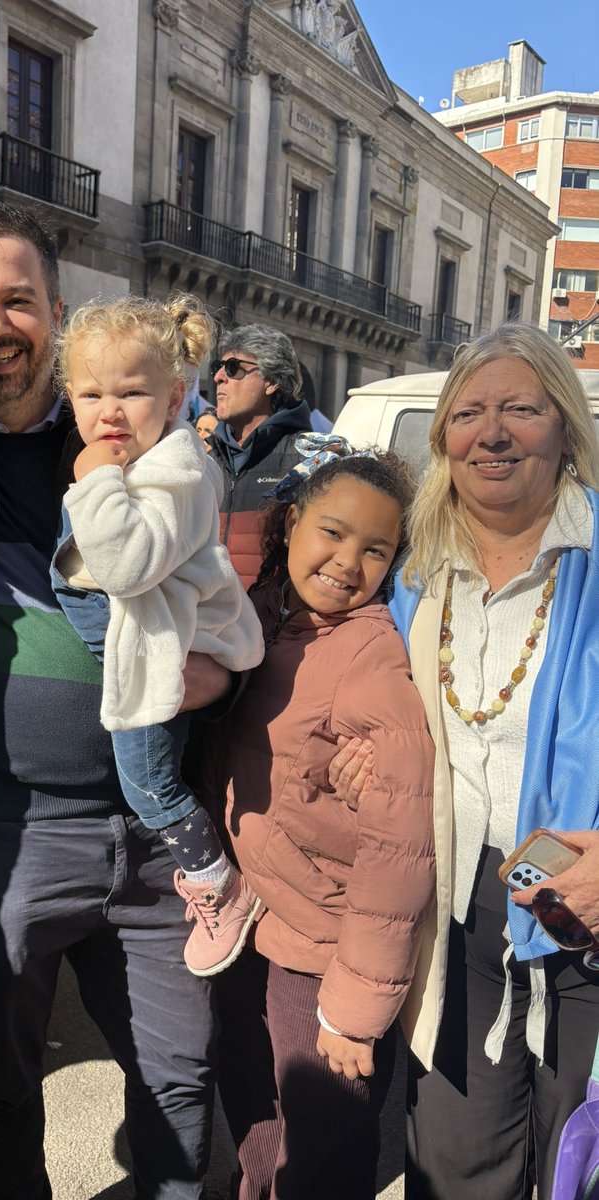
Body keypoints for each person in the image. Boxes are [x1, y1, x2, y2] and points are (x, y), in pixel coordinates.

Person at [0, 200, 228, 1199]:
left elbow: (225, 575)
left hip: (157, 835)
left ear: (58, 310)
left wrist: (225, 664)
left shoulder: (132, 425)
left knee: (181, 1076)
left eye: (17, 299)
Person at [380, 324, 599, 1198]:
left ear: (565, 427)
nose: (493, 432)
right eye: (468, 413)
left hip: (589, 920)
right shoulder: (412, 575)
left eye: (520, 408)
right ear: (442, 441)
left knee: (578, 1163)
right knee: (454, 1164)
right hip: (464, 916)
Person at [206, 435, 435, 1199]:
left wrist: (354, 1009)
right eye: (333, 533)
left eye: (377, 549)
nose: (348, 562)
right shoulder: (261, 615)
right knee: (258, 1130)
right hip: (253, 927)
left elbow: (402, 847)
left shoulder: (369, 651)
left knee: (325, 1153)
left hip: (322, 952)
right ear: (294, 521)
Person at [51, 294, 264, 976]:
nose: (108, 411)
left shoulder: (176, 471)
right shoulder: (139, 464)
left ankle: (219, 887)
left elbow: (128, 563)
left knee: (150, 789)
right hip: (143, 644)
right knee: (149, 780)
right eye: (90, 393)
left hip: (160, 654)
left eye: (132, 392)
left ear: (174, 397)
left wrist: (95, 481)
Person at [208, 324, 312, 587]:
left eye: (233, 368)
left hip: (267, 624)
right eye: (218, 367)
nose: (219, 376)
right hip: (202, 622)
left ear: (271, 382)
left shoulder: (306, 461)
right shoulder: (203, 457)